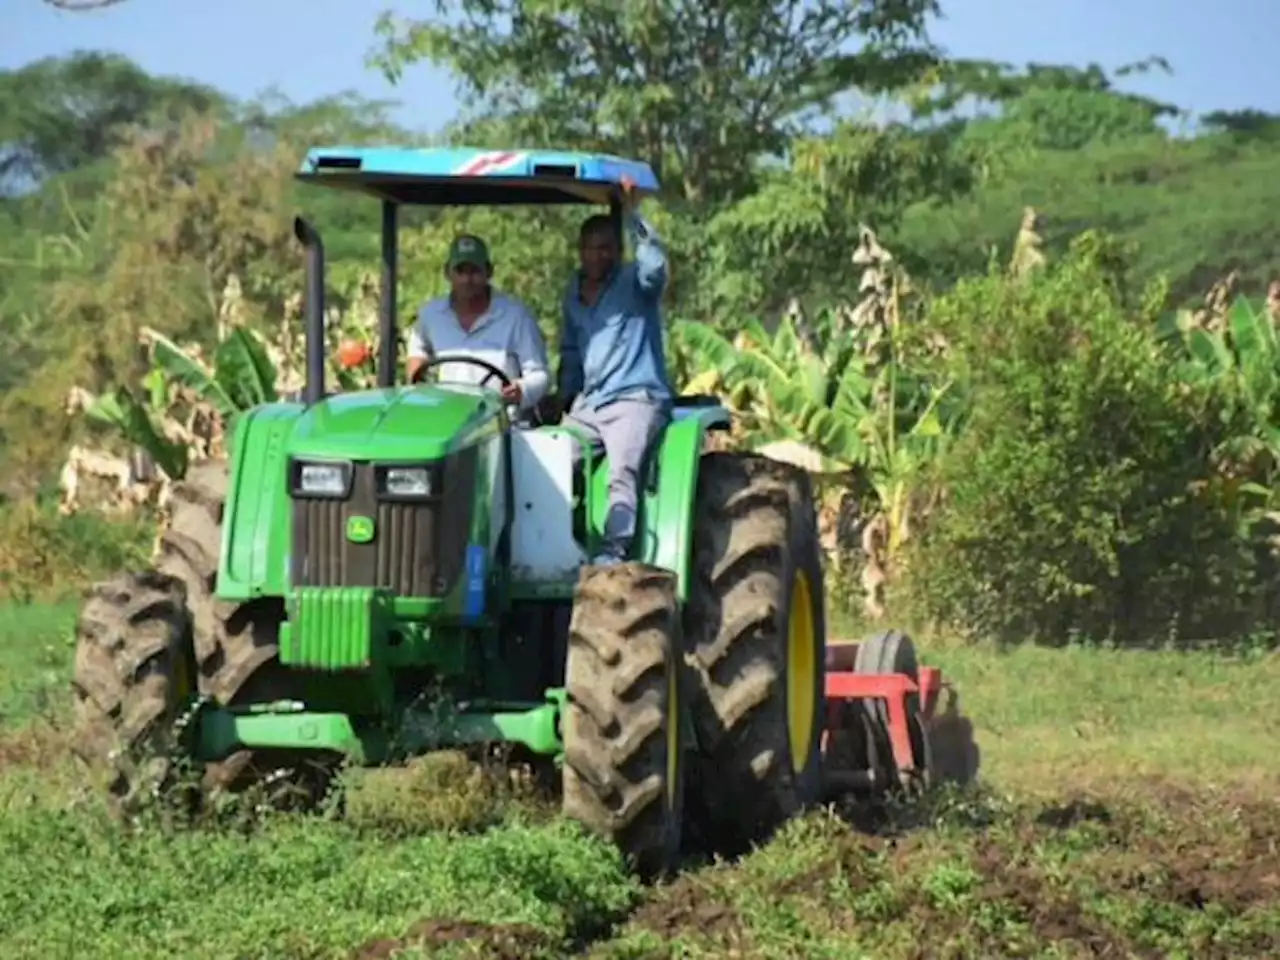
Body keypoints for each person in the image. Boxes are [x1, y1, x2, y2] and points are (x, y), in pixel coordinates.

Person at [555, 177, 674, 566]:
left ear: (617, 252)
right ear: (580, 252)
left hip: (635, 397)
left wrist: (632, 211)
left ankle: (612, 552)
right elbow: (572, 355)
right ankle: (553, 543)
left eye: (607, 249)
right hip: (592, 404)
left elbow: (654, 264)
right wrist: (559, 401)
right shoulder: (572, 294)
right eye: (591, 249)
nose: (598, 256)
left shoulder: (634, 284)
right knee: (548, 459)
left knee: (621, 469)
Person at [406, 234, 550, 417]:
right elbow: (417, 351)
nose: (467, 279)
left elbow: (539, 374)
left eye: (474, 271)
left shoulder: (515, 316)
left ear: (488, 272)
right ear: (447, 273)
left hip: (500, 424)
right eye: (460, 271)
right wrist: (418, 375)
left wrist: (521, 389)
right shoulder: (431, 315)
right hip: (447, 420)